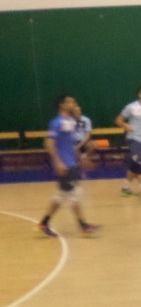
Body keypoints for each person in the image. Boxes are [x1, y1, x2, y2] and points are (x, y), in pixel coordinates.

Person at [37, 95, 101, 237]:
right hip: (64, 165)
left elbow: (70, 145)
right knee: (74, 194)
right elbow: (49, 143)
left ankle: (44, 223)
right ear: (62, 105)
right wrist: (58, 162)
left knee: (62, 195)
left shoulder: (70, 122)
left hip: (72, 163)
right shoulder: (57, 122)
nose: (74, 104)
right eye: (71, 102)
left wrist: (81, 159)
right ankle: (83, 225)